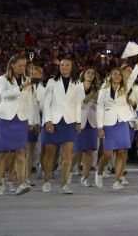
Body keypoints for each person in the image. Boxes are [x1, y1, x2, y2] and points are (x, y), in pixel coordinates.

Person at [95, 50, 138, 189]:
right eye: (115, 74)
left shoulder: (125, 88)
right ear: (110, 76)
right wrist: (100, 127)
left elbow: (135, 72)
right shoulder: (103, 90)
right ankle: (99, 172)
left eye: (120, 74)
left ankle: (117, 180)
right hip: (108, 123)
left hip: (123, 123)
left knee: (122, 152)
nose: (118, 76)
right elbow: (100, 108)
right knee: (107, 153)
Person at [0, 54, 38, 196]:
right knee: (1, 154)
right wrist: (21, 86)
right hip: (5, 119)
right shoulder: (2, 79)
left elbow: (29, 101)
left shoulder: (27, 80)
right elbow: (5, 95)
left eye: (24, 66)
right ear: (12, 65)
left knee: (20, 152)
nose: (23, 68)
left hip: (21, 120)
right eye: (20, 66)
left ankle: (21, 183)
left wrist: (30, 120)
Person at [41, 57, 85, 194]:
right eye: (62, 65)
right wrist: (48, 120)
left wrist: (79, 121)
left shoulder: (78, 83)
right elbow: (46, 103)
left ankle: (64, 184)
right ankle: (47, 182)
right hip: (53, 121)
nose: (64, 67)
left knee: (67, 155)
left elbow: (79, 104)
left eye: (67, 65)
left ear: (72, 67)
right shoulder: (51, 81)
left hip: (70, 122)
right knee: (50, 154)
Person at [75, 68, 100, 188]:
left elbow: (98, 106)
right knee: (75, 151)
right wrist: (88, 97)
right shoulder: (76, 87)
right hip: (78, 122)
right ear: (83, 75)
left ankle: (85, 178)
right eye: (88, 72)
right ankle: (68, 174)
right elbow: (74, 104)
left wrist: (95, 100)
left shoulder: (97, 89)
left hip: (92, 122)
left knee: (89, 151)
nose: (90, 74)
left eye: (92, 73)